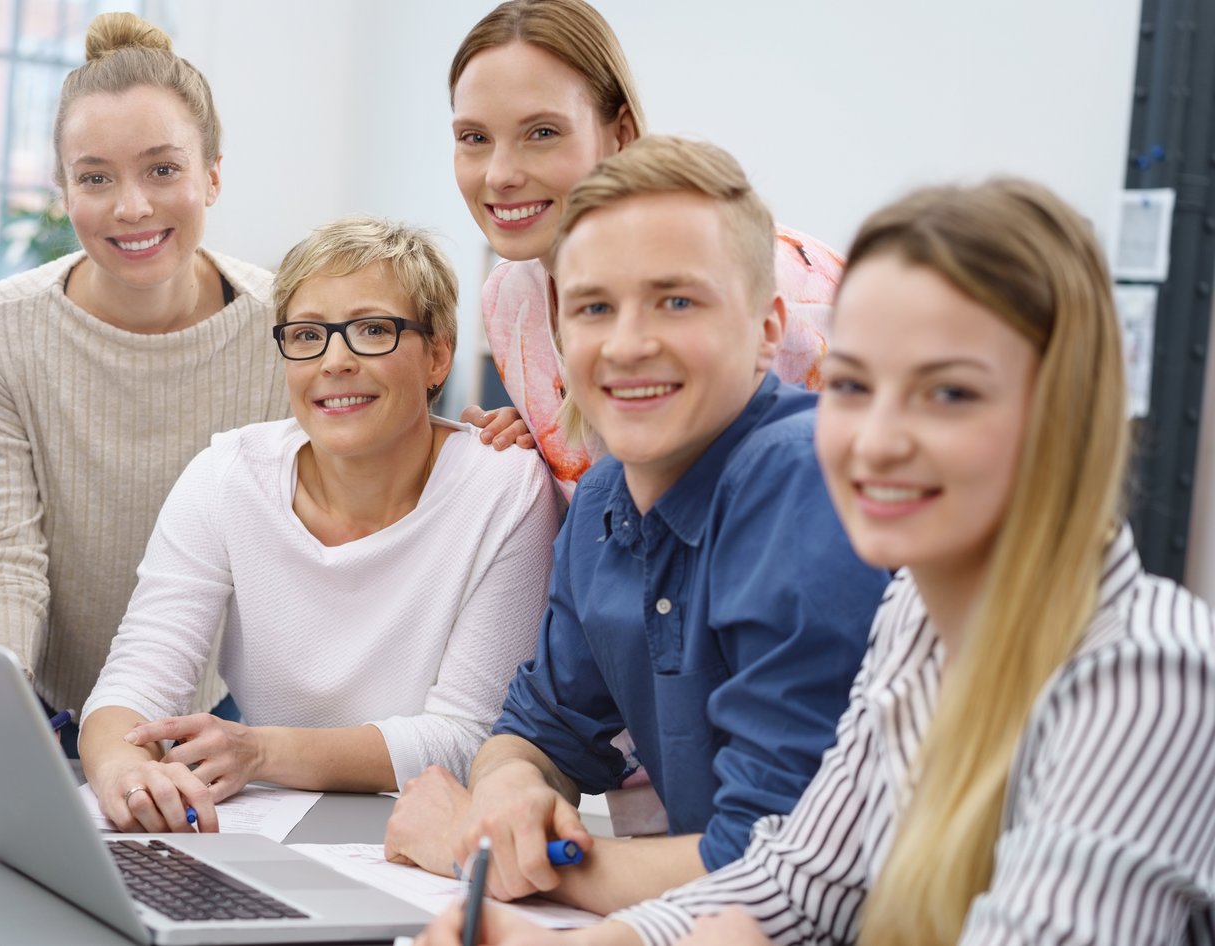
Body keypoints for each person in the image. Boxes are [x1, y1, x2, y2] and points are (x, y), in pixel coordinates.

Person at [418, 179, 1215, 945]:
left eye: (949, 395)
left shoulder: (1146, 667)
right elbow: (803, 879)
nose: (878, 439)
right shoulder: (920, 616)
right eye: (854, 386)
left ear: (1064, 410)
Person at [384, 136, 888, 912]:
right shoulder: (603, 497)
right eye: (593, 307)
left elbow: (772, 866)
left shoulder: (807, 477)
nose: (627, 344)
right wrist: (509, 797)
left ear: (766, 330)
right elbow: (540, 728)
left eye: (677, 301)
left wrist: (474, 844)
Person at [79, 217, 559, 833]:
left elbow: (470, 740)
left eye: (372, 330)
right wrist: (123, 767)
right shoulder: (227, 474)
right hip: (263, 823)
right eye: (307, 335)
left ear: (438, 354)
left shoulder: (506, 489)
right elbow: (138, 676)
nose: (334, 361)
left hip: (424, 834)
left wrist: (262, 751)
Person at [0, 12, 289, 754]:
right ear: (63, 189)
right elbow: (5, 557)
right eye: (95, 177)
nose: (130, 206)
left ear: (212, 175)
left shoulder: (284, 327)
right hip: (51, 711)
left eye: (162, 169)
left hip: (224, 715)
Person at [448, 0, 842, 497]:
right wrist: (535, 459)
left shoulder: (767, 281)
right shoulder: (512, 302)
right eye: (475, 137)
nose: (500, 175)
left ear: (621, 135)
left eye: (542, 132)